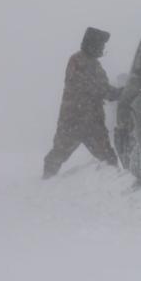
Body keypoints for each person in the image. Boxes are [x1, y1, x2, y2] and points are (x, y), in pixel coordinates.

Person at [43, 27, 123, 179]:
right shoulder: (79, 61)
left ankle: (114, 183)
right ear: (92, 45)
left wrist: (115, 93)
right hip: (77, 120)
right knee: (59, 154)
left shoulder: (92, 63)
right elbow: (99, 88)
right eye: (101, 46)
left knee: (107, 157)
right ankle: (45, 182)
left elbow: (100, 88)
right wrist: (118, 93)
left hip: (85, 121)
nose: (103, 49)